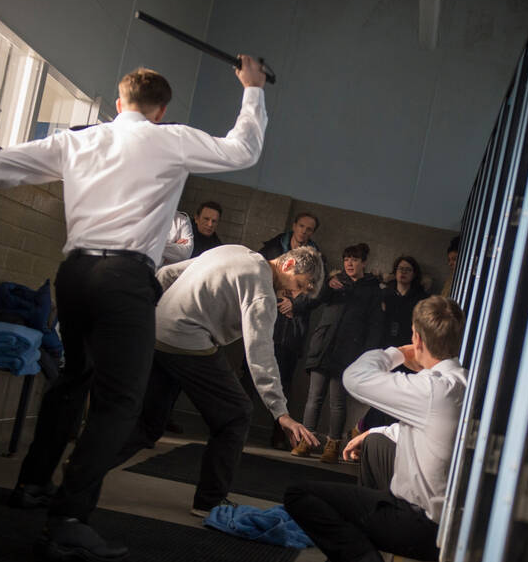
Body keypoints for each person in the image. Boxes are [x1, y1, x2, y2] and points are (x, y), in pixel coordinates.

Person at [0, 58, 269, 562]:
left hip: (73, 276)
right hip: (124, 281)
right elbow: (243, 149)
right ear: (160, 111)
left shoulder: (80, 140)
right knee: (119, 404)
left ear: (119, 104)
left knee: (73, 380)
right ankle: (69, 520)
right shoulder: (170, 139)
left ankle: (32, 484)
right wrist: (252, 89)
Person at [115, 244, 322, 517]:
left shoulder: (234, 251)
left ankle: (84, 465)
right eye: (298, 285)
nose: (293, 294)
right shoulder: (262, 290)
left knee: (147, 425)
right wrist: (281, 413)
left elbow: (166, 273)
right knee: (236, 415)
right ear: (288, 265)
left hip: (157, 331)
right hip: (187, 338)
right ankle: (209, 502)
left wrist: (150, 313)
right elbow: (259, 352)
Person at [284, 296, 466, 562]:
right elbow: (436, 428)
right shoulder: (462, 382)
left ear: (416, 338)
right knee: (375, 442)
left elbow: (354, 377)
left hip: (420, 525)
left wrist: (398, 353)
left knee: (299, 495)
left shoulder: (431, 389)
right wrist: (376, 432)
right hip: (446, 523)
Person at [293, 243, 383, 463]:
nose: (349, 263)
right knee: (314, 397)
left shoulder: (372, 289)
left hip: (348, 352)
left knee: (338, 401)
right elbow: (312, 300)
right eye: (346, 259)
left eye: (354, 259)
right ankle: (306, 440)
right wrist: (327, 286)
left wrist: (366, 357)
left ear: (364, 263)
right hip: (323, 347)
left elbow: (375, 325)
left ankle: (333, 445)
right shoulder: (335, 281)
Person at [258, 212, 322, 449]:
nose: (304, 231)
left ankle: (278, 434)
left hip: (292, 329)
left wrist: (295, 304)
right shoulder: (273, 247)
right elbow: (261, 277)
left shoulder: (316, 258)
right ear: (294, 226)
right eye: (301, 226)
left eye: (309, 228)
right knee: (250, 375)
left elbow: (317, 293)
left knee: (283, 381)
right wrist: (277, 300)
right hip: (267, 319)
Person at [357, 255, 429, 433]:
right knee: (382, 394)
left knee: (397, 397)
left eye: (408, 270)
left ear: (414, 274)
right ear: (395, 272)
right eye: (400, 269)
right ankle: (366, 428)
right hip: (385, 348)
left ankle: (367, 428)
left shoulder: (421, 299)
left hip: (408, 351)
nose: (403, 273)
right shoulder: (385, 294)